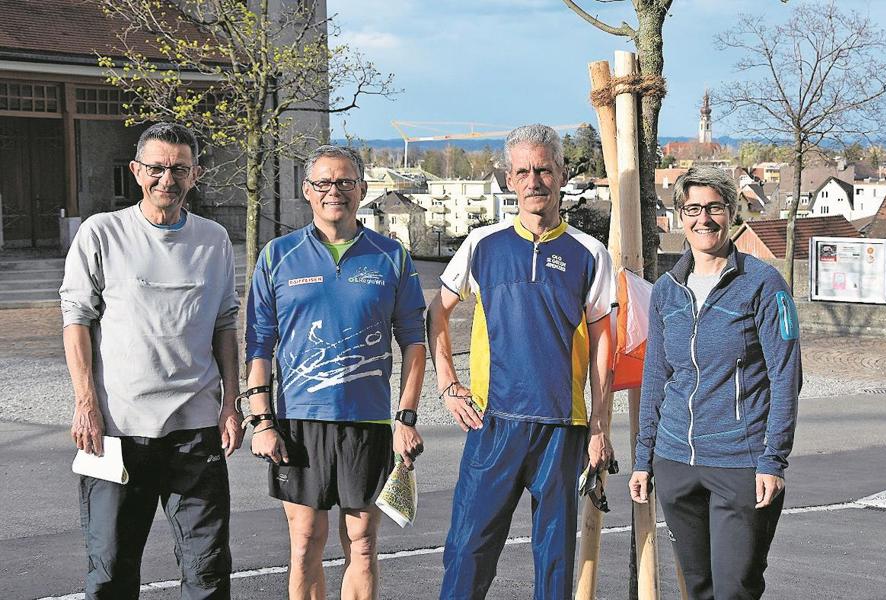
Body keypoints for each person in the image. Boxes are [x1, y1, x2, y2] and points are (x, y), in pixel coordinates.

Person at [428, 124, 615, 600]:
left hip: (561, 425)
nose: (534, 180)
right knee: (468, 550)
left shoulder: (590, 253)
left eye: (544, 170)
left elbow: (603, 344)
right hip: (494, 421)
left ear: (562, 174)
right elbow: (437, 312)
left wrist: (599, 426)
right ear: (510, 179)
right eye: (524, 171)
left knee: (553, 560)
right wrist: (448, 382)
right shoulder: (482, 244)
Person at [60, 122, 241, 599]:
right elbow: (76, 320)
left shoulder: (214, 240)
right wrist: (86, 404)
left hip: (195, 431)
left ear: (196, 173)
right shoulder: (103, 233)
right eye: (157, 168)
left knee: (207, 571)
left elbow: (225, 324)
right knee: (112, 570)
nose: (168, 179)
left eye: (179, 169)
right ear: (137, 171)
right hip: (117, 432)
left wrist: (231, 404)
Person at [244, 145, 426, 600]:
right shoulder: (277, 256)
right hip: (298, 422)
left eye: (345, 182)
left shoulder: (392, 257)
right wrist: (262, 422)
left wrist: (404, 418)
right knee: (305, 542)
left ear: (363, 190)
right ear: (307, 191)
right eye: (323, 183)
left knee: (362, 545)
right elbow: (259, 345)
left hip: (367, 422)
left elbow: (414, 342)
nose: (334, 192)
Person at [629, 165, 801, 600]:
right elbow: (656, 377)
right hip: (675, 462)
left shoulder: (763, 285)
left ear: (732, 213)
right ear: (680, 217)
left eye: (714, 208)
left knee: (735, 589)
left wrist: (772, 460)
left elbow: (785, 377)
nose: (703, 219)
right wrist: (644, 458)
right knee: (699, 588)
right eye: (692, 209)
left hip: (739, 463)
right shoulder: (667, 289)